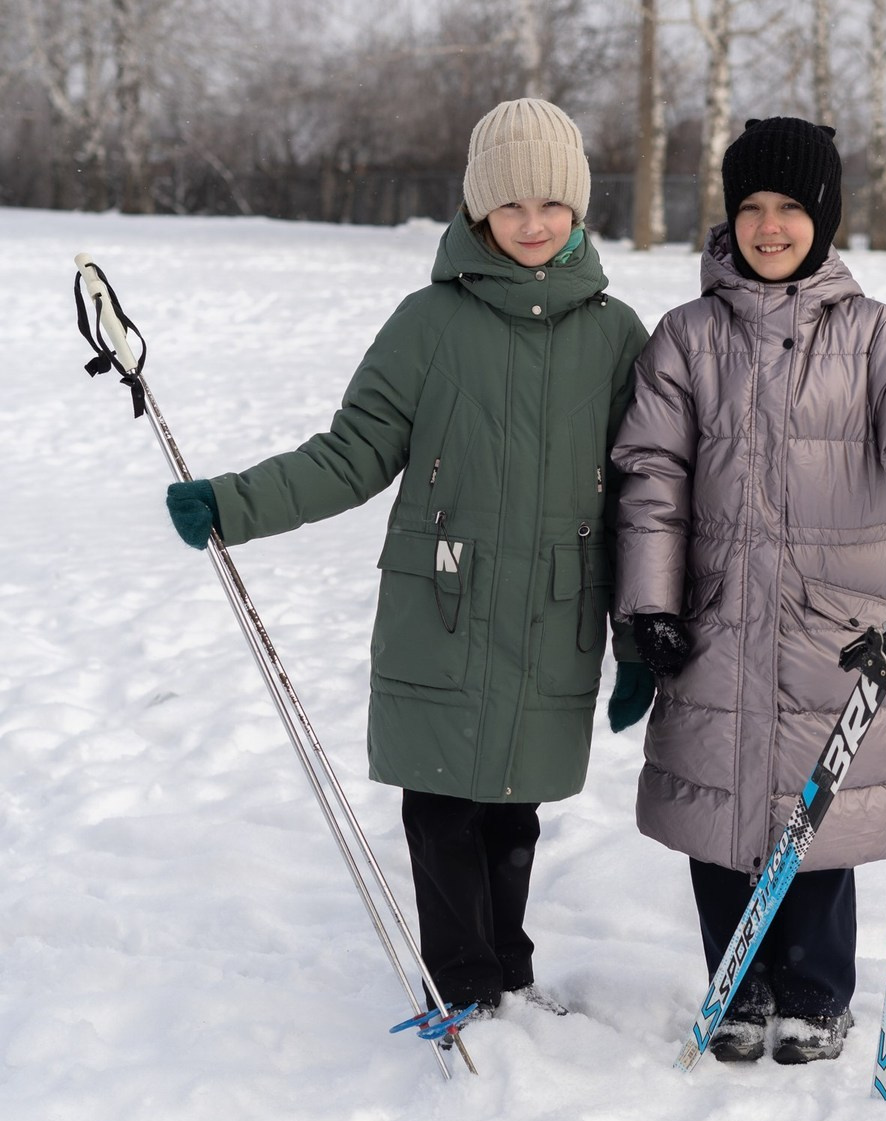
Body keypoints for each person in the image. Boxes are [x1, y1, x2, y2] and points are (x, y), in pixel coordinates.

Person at [164, 98, 648, 1032]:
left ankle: (506, 969)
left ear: (580, 209)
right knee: (440, 808)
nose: (533, 223)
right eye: (511, 207)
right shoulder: (427, 325)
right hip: (445, 608)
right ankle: (460, 980)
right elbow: (350, 454)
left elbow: (644, 498)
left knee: (514, 810)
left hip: (557, 612)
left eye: (551, 204)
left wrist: (639, 640)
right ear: (478, 215)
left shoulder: (618, 335)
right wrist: (234, 503)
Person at [608, 117, 886, 1065]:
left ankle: (813, 991)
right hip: (713, 620)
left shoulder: (876, 335)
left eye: (790, 208)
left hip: (834, 629)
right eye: (751, 207)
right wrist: (647, 606)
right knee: (719, 819)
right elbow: (649, 477)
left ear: (825, 217)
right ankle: (737, 986)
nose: (768, 226)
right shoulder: (686, 339)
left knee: (820, 813)